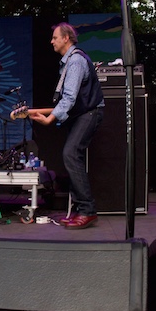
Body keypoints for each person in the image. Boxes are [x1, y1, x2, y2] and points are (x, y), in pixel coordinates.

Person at [28, 23, 104, 229]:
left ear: (66, 38)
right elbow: (67, 100)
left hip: (89, 113)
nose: (51, 41)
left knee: (70, 154)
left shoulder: (76, 61)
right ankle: (81, 210)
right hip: (81, 114)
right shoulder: (68, 62)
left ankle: (87, 210)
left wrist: (51, 118)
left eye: (55, 37)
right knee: (72, 156)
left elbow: (69, 97)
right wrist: (40, 112)